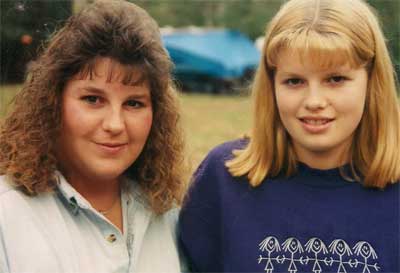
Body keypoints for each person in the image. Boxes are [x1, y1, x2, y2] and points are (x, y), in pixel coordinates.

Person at [178, 0, 400, 272]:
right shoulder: (223, 181)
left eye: (335, 79)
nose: (314, 101)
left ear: (372, 82)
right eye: (294, 81)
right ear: (271, 86)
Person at [0, 0, 187, 272]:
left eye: (134, 103)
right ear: (53, 102)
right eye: (93, 99)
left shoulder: (167, 214)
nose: (115, 124)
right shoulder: (8, 214)